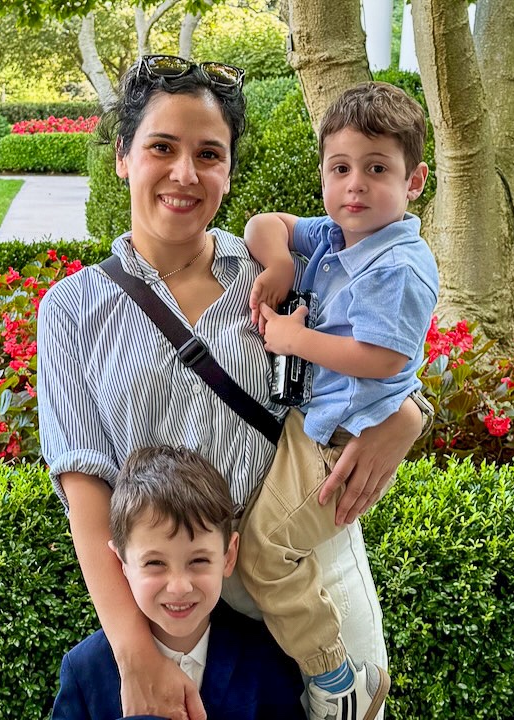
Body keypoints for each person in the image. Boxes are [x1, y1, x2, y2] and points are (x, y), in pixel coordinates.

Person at [37, 55, 427, 720]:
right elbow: (85, 491)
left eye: (208, 154)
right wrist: (136, 654)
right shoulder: (73, 309)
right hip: (181, 599)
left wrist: (409, 418)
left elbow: (391, 346)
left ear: (228, 170)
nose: (185, 174)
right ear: (124, 156)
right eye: (162, 147)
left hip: (309, 565)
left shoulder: (277, 271)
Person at [238, 81, 438, 720]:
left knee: (267, 553)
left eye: (377, 169)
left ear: (415, 182)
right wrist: (278, 265)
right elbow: (263, 223)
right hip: (316, 421)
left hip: (340, 439)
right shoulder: (336, 237)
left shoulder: (397, 264)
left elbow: (386, 358)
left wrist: (297, 337)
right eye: (340, 168)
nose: (355, 186)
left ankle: (334, 675)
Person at [52, 445, 305, 719]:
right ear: (122, 563)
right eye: (155, 563)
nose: (179, 586)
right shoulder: (84, 671)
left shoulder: (265, 654)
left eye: (198, 561)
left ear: (228, 555)